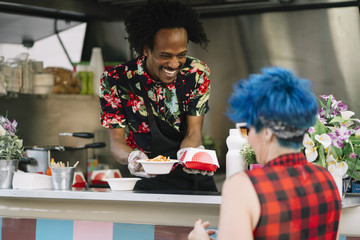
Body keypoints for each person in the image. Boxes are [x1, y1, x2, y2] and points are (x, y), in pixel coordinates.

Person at [188, 66, 341, 239]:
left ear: (267, 131)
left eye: (249, 128)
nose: (249, 138)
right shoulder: (327, 180)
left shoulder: (243, 187)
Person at [99, 0, 217, 192]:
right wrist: (133, 158)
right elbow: (117, 143)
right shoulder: (116, 80)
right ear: (146, 49)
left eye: (181, 54)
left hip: (194, 183)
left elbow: (193, 133)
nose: (174, 64)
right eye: (165, 55)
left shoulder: (196, 72)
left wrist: (190, 153)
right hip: (147, 181)